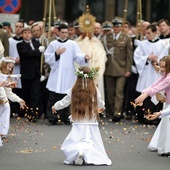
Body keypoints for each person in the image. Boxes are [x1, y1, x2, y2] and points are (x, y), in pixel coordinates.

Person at [52, 66, 112, 165]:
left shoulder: (74, 89)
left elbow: (65, 101)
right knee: (89, 140)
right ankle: (85, 153)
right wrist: (103, 107)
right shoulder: (94, 89)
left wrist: (55, 106)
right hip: (91, 121)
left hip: (78, 121)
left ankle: (78, 152)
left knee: (75, 139)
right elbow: (100, 103)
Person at [44, 24, 91, 125]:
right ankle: (53, 116)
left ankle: (67, 117)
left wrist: (85, 58)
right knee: (54, 96)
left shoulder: (72, 44)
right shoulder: (53, 44)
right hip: (57, 73)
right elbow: (47, 58)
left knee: (68, 95)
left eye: (66, 33)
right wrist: (56, 54)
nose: (64, 34)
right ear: (58, 32)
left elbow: (78, 56)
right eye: (62, 32)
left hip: (69, 73)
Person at [135, 56, 170, 156]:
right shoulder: (165, 75)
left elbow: (159, 87)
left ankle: (166, 147)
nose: (161, 69)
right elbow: (155, 84)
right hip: (167, 103)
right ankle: (163, 146)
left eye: (164, 67)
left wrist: (145, 95)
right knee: (165, 125)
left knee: (166, 125)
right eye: (161, 66)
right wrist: (144, 93)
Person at [134, 24, 168, 123]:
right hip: (146, 72)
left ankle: (155, 117)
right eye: (146, 33)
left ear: (155, 32)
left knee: (157, 91)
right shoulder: (142, 44)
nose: (147, 35)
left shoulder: (162, 44)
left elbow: (165, 56)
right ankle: (142, 117)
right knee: (145, 91)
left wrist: (157, 61)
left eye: (149, 33)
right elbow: (137, 56)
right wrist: (147, 58)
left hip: (157, 73)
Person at [102, 18, 133, 122]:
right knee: (110, 93)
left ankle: (117, 112)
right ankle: (111, 110)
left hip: (121, 68)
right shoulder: (106, 37)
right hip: (109, 69)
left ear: (121, 27)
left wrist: (128, 69)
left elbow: (129, 55)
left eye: (118, 26)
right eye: (114, 26)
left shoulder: (126, 38)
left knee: (119, 91)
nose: (116, 28)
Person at [17, 27, 45, 122]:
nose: (27, 34)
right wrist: (38, 51)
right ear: (22, 35)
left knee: (35, 94)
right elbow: (26, 54)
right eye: (25, 33)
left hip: (36, 73)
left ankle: (34, 114)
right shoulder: (20, 45)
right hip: (26, 73)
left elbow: (40, 59)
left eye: (29, 33)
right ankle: (27, 112)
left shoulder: (36, 44)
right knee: (27, 93)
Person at [0, 57, 26, 147]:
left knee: (6, 107)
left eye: (11, 68)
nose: (9, 69)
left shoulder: (6, 78)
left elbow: (9, 93)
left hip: (3, 102)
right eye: (8, 67)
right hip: (1, 100)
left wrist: (19, 100)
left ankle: (2, 132)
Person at [9, 20, 24, 117]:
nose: (18, 28)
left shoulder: (24, 41)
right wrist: (13, 61)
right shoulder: (10, 40)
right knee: (12, 88)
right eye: (17, 26)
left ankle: (20, 110)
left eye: (20, 26)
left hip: (22, 68)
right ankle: (12, 110)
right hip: (11, 67)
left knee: (21, 89)